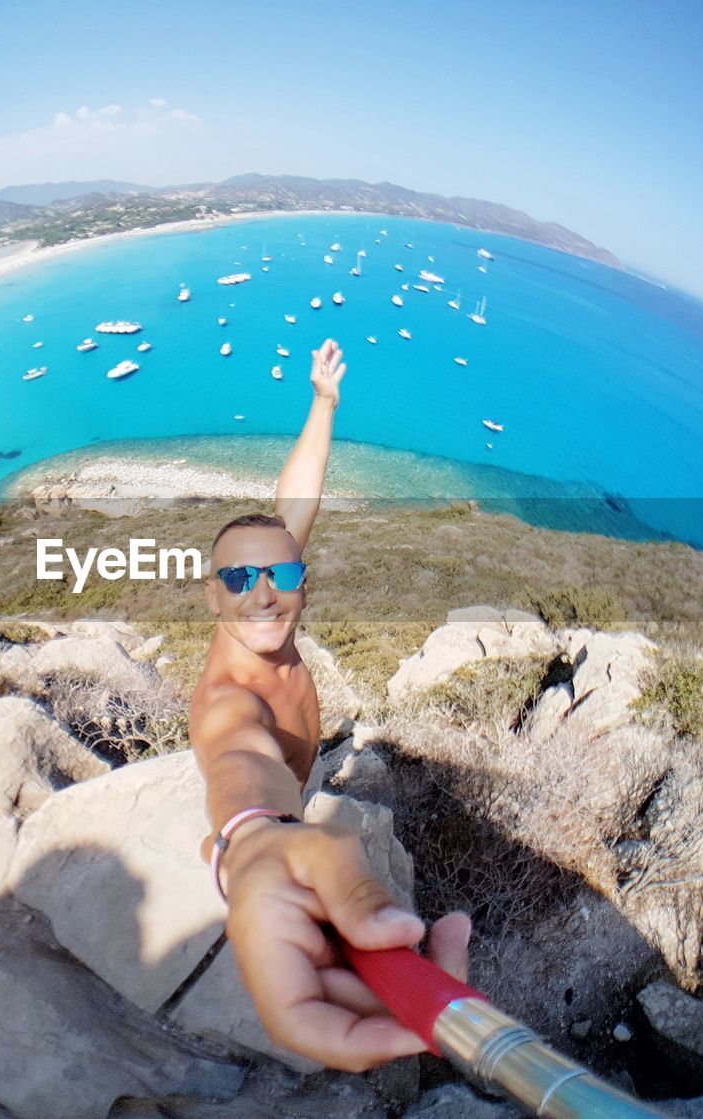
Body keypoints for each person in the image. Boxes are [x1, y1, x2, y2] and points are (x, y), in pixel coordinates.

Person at [189, 338, 472, 1072]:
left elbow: (296, 501)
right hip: (270, 807)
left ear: (302, 583)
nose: (264, 591)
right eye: (241, 576)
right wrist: (251, 841)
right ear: (211, 595)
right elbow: (236, 756)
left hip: (298, 787)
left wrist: (323, 403)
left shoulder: (272, 607)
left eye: (281, 572)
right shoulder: (229, 695)